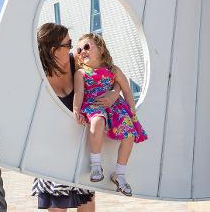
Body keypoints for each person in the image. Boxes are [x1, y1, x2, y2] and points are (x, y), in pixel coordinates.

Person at [32, 23, 121, 211]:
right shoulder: (37, 75)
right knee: (57, 207)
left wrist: (114, 92)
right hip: (53, 153)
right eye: (68, 43)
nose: (73, 48)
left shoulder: (77, 63)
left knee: (87, 205)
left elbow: (112, 73)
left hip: (79, 150)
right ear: (53, 49)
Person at [73, 33, 148, 197]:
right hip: (94, 105)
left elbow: (127, 89)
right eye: (79, 50)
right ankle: (96, 165)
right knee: (97, 122)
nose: (82, 51)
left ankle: (119, 174)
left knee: (129, 135)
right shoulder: (81, 73)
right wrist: (77, 110)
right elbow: (78, 93)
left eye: (86, 46)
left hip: (116, 107)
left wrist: (132, 111)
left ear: (100, 49)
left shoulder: (113, 70)